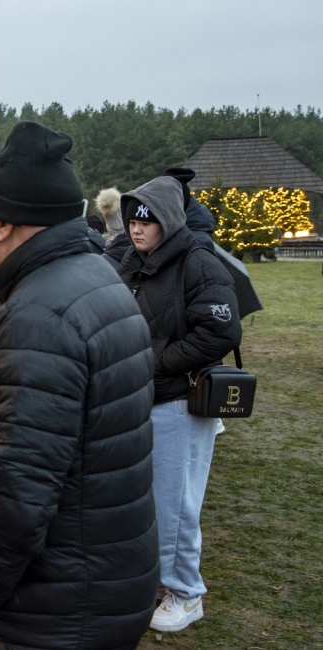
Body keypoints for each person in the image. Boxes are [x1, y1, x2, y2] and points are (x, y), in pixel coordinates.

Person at [0, 121, 160, 648]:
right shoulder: (97, 278)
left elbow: (13, 502)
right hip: (100, 581)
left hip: (52, 611)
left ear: (2, 225)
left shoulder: (37, 317)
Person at [117, 176, 242, 632]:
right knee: (145, 500)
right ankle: (157, 581)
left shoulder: (198, 264)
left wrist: (158, 362)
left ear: (168, 221)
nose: (137, 229)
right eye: (132, 220)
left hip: (179, 403)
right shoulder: (133, 263)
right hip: (141, 399)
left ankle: (187, 594)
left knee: (176, 503)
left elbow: (221, 332)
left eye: (146, 221)